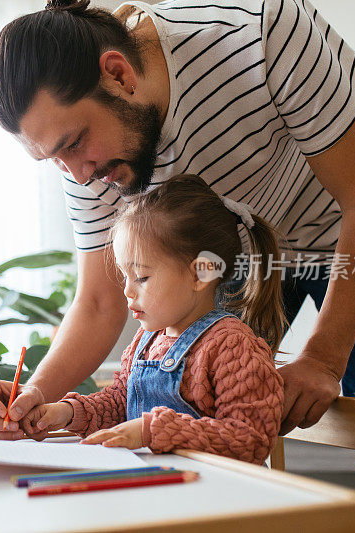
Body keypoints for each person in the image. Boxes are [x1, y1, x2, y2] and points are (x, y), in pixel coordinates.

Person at [0, 0, 355, 526]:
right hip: (230, 253)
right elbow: (97, 302)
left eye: (73, 144)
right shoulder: (88, 161)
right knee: (208, 405)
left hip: (353, 228)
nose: (79, 174)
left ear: (118, 73)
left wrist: (323, 359)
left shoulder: (259, 31)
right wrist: (32, 403)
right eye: (54, 159)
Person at [21, 174, 285, 464]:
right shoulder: (146, 341)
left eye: (142, 277)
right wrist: (66, 412)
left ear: (202, 273)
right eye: (125, 276)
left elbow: (250, 440)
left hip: (211, 500)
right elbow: (120, 402)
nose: (127, 291)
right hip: (153, 489)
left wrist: (152, 430)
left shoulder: (234, 348)